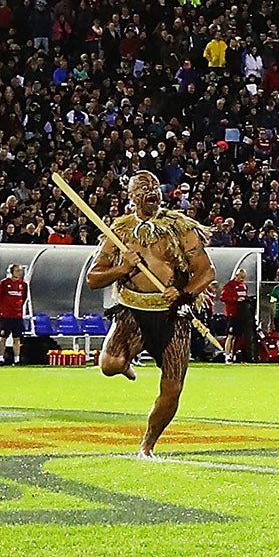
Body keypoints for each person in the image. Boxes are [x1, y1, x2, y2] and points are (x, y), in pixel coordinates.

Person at [85, 171, 216, 455]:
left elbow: (206, 271)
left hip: (171, 313)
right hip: (132, 310)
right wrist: (122, 268)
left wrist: (184, 293)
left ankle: (148, 445)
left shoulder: (180, 227)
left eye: (154, 185)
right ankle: (127, 364)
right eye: (142, 187)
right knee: (109, 364)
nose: (150, 190)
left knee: (172, 389)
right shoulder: (119, 231)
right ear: (131, 197)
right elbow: (93, 279)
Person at [0, 261, 29, 366]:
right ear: (11, 272)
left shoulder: (23, 285)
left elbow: (23, 297)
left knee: (17, 338)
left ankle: (17, 359)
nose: (19, 272)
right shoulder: (3, 283)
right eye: (17, 270)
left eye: (20, 270)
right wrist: (0, 310)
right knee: (3, 338)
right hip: (5, 316)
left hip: (17, 316)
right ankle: (1, 358)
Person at [221, 268, 253, 363]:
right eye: (241, 277)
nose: (242, 279)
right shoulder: (229, 286)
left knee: (237, 336)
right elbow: (223, 297)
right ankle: (227, 355)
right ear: (236, 275)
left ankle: (233, 355)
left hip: (241, 314)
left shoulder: (244, 286)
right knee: (230, 335)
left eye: (244, 278)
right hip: (232, 314)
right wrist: (235, 299)